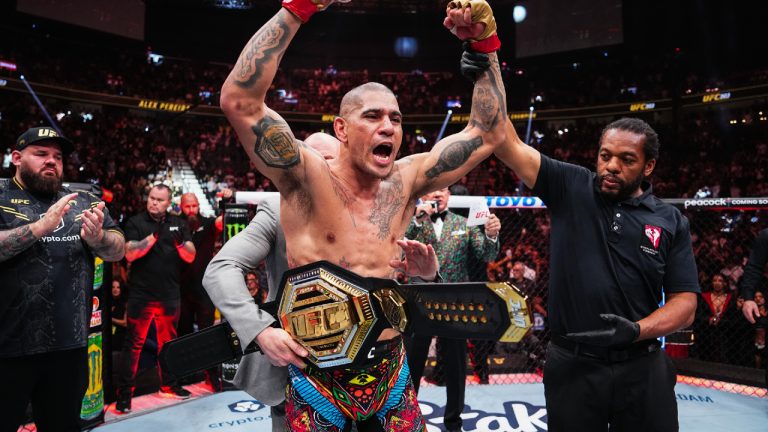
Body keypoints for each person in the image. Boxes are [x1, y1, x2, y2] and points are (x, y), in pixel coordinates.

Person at [217, 0, 507, 429]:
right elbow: (240, 100)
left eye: (395, 118)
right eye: (372, 116)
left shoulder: (406, 181)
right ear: (341, 128)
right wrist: (297, 9)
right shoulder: (304, 178)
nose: (388, 126)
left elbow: (488, 133)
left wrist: (486, 46)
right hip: (316, 376)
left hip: (391, 372)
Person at [493, 115, 700, 431]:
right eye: (606, 156)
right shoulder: (571, 185)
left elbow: (685, 304)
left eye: (627, 159)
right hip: (573, 363)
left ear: (649, 166)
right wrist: (488, 70)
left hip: (642, 365)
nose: (612, 166)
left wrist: (635, 330)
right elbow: (506, 142)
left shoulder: (670, 220)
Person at [204, 133, 340, 432]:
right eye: (311, 160)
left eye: (328, 160)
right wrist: (260, 330)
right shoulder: (276, 210)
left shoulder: (371, 211)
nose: (320, 168)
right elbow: (221, 268)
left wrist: (425, 273)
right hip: (296, 365)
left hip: (363, 369)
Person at [0, 126, 125, 431]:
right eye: (41, 153)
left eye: (57, 156)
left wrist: (97, 239)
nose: (51, 161)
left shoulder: (81, 200)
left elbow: (118, 249)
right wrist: (40, 227)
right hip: (7, 348)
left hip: (68, 347)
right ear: (17, 157)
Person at [403, 186, 500, 431]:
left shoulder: (463, 222)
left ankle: (454, 423)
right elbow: (397, 245)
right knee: (412, 364)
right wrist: (416, 218)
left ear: (449, 196)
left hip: (455, 302)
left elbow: (485, 254)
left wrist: (490, 235)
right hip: (420, 300)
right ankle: (407, 419)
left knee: (457, 367)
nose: (438, 194)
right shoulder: (412, 221)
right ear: (424, 195)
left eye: (443, 190)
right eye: (433, 189)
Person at [116, 183, 197, 413]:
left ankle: (169, 385)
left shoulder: (179, 224)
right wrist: (153, 236)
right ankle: (124, 395)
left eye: (159, 200)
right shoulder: (135, 222)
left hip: (170, 294)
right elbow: (130, 253)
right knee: (133, 345)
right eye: (152, 198)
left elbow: (190, 256)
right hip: (141, 295)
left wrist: (180, 242)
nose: (154, 202)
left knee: (168, 344)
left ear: (168, 203)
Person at [178, 192, 223, 391]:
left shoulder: (208, 222)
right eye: (187, 207)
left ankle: (212, 376)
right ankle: (185, 376)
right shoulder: (175, 224)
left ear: (198, 206)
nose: (191, 210)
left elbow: (224, 221)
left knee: (208, 334)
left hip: (205, 288)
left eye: (194, 206)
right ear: (181, 207)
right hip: (181, 289)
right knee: (183, 335)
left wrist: (228, 200)